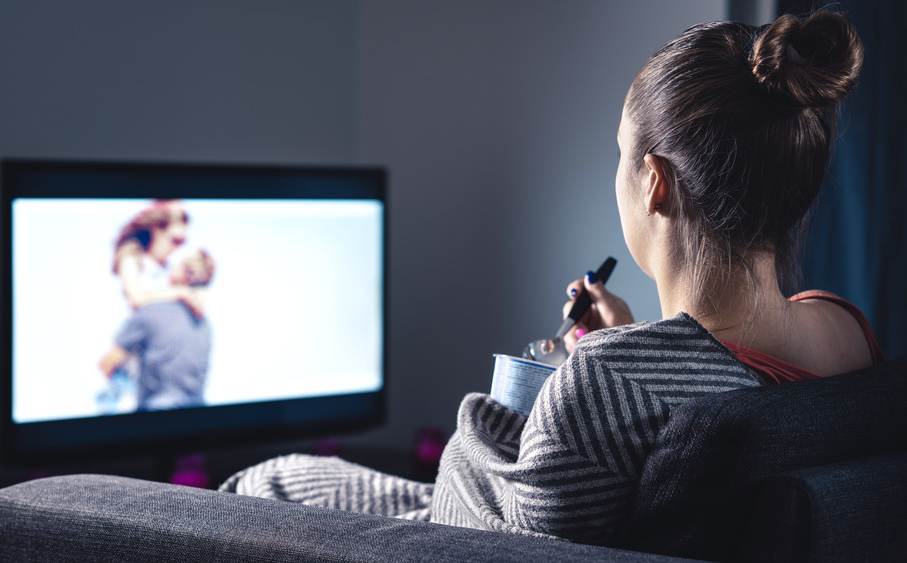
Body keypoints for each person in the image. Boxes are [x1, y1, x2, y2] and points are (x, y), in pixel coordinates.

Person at [219, 10, 883, 545]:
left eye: (619, 155)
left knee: (269, 481)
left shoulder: (610, 382)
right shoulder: (844, 328)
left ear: (654, 184)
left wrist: (557, 377)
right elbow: (724, 375)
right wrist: (628, 343)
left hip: (448, 528)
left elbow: (472, 524)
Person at [98, 249, 216, 411]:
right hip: (196, 418)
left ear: (182, 272)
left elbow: (107, 363)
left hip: (155, 419)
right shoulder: (205, 325)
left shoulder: (152, 312)